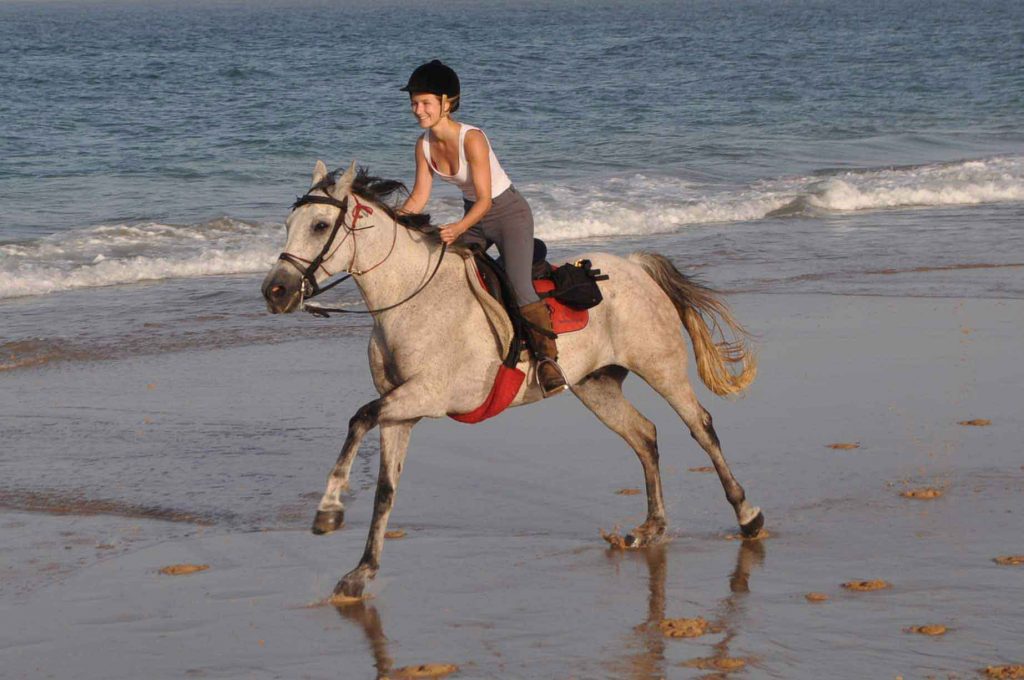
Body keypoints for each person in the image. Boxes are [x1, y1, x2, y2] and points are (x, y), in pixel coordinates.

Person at [398, 60, 567, 397]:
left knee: (519, 286)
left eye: (426, 103)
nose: (418, 110)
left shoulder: (472, 139)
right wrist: (394, 221)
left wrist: (458, 228)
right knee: (447, 272)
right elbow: (418, 196)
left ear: (447, 103)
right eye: (414, 103)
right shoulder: (423, 145)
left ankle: (549, 362)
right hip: (472, 216)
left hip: (508, 214)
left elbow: (486, 200)